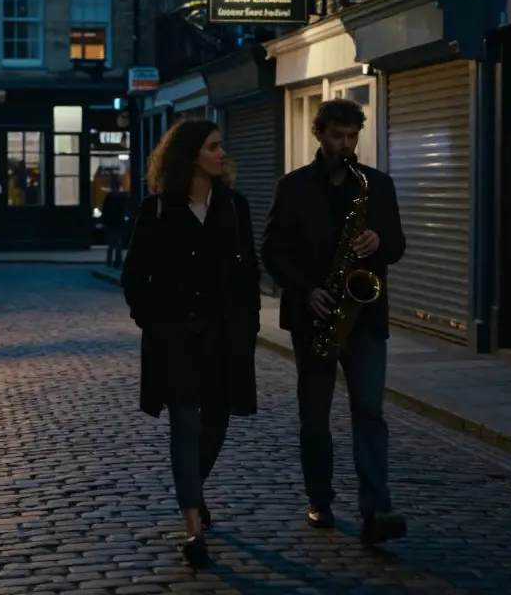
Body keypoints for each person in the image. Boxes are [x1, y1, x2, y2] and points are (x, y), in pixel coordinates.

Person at [260, 98, 408, 546]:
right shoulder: (293, 187)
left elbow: (398, 245)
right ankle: (319, 498)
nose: (346, 145)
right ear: (319, 134)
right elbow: (272, 251)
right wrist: (307, 291)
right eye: (337, 136)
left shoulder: (376, 186)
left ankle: (375, 508)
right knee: (315, 417)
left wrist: (379, 240)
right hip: (315, 315)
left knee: (369, 411)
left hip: (362, 317)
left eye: (352, 136)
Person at [121, 118, 261, 568]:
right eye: (213, 147)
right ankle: (192, 529)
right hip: (176, 338)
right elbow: (134, 275)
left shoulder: (235, 207)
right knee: (186, 425)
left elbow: (248, 275)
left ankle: (193, 492)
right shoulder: (158, 209)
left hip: (224, 337)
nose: (222, 154)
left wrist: (249, 326)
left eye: (221, 146)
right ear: (190, 156)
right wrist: (153, 320)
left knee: (217, 424)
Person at [101, 174, 130, 268]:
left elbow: (104, 209)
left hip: (111, 222)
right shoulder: (122, 197)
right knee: (118, 243)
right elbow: (125, 210)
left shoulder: (109, 197)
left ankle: (109, 261)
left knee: (111, 243)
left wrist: (104, 220)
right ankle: (118, 261)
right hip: (118, 222)